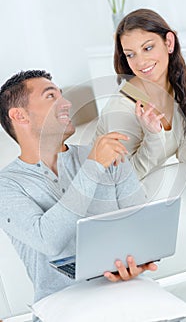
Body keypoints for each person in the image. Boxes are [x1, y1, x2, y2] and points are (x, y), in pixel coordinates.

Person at [0, 70, 157, 321]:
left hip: (124, 295)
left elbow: (139, 229)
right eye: (51, 96)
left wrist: (135, 264)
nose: (66, 102)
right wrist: (93, 167)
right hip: (62, 307)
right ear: (19, 115)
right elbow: (49, 240)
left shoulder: (110, 153)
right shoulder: (7, 186)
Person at [95, 8, 186, 198]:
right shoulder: (122, 108)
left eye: (148, 48)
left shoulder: (177, 81)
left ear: (169, 43)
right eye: (131, 54)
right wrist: (153, 136)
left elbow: (183, 143)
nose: (140, 62)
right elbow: (122, 181)